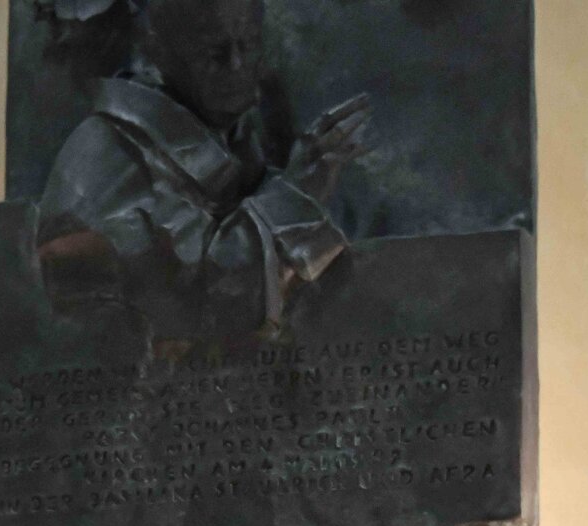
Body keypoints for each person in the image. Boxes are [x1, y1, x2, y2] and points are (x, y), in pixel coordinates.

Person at [33, 0, 373, 342]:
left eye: (250, 44)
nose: (237, 65)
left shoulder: (234, 139)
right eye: (214, 52)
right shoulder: (106, 156)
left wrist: (302, 182)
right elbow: (196, 306)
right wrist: (295, 194)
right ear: (159, 53)